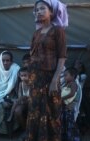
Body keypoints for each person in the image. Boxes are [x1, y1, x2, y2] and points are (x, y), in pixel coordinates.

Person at [24, 0, 68, 140]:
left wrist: (55, 80)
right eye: (37, 10)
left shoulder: (57, 31)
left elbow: (62, 57)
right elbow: (32, 56)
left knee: (52, 111)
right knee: (35, 110)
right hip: (35, 78)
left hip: (50, 77)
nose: (39, 12)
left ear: (52, 12)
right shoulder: (36, 33)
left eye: (42, 9)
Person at [0, 51, 20, 135]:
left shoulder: (16, 69)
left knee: (14, 107)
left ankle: (12, 132)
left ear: (11, 61)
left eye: (8, 60)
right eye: (3, 60)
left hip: (14, 96)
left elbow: (18, 88)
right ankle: (0, 132)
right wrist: (2, 100)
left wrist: (11, 99)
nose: (5, 63)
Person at [61, 67, 80, 141]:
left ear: (72, 76)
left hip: (69, 108)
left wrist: (62, 98)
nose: (64, 77)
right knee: (64, 123)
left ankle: (73, 138)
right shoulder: (66, 84)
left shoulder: (73, 84)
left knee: (70, 124)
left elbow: (72, 94)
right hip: (64, 107)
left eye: (66, 75)